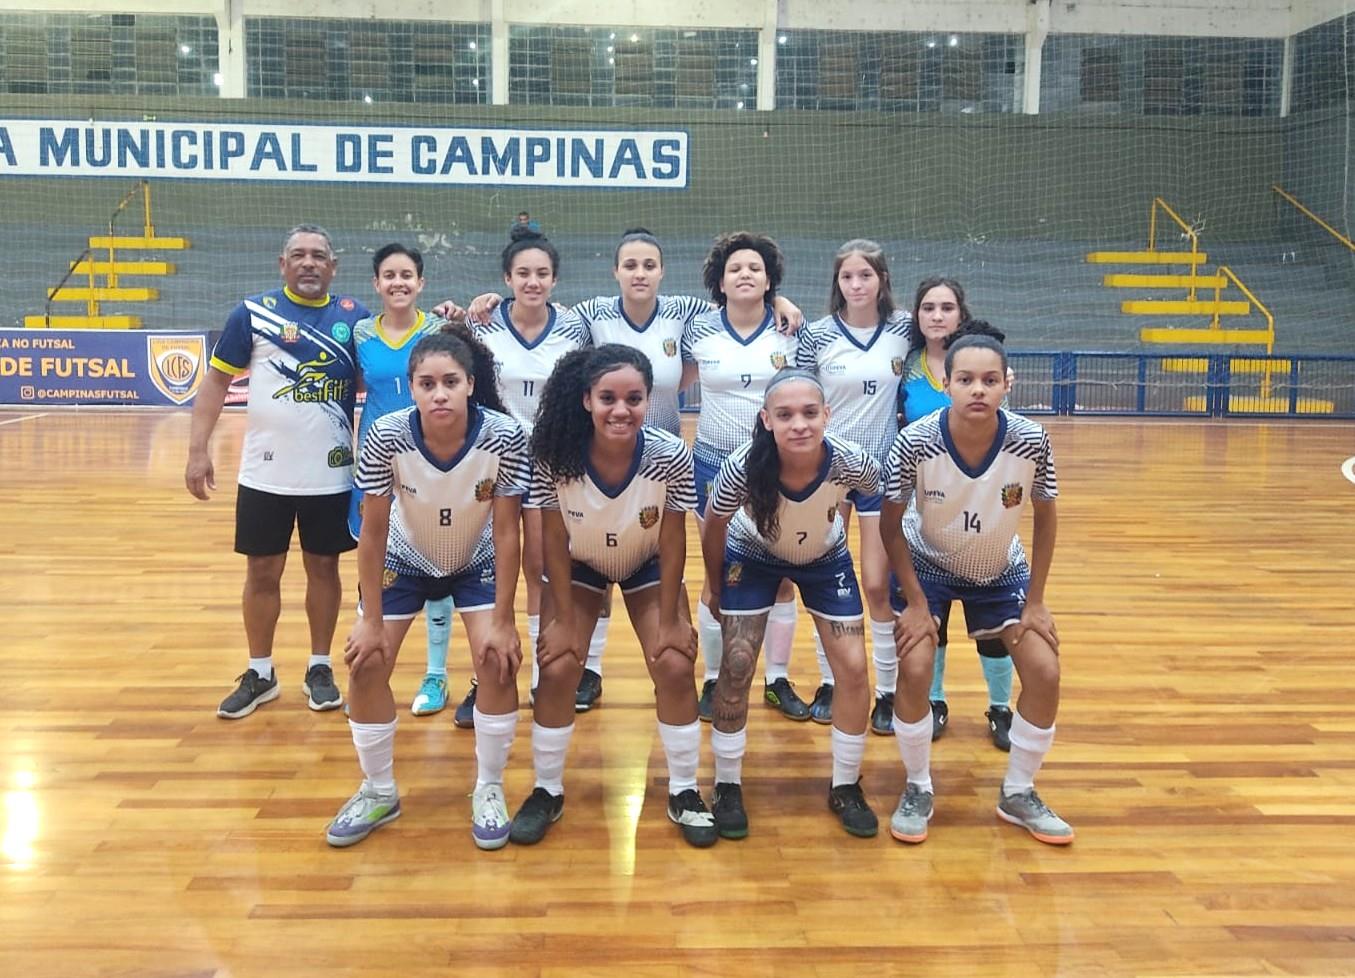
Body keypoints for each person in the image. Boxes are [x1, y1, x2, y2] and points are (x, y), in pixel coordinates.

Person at [463, 228, 802, 712]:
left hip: (662, 465)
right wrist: (491, 301)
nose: (640, 273)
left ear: (662, 272)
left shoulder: (688, 316)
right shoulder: (589, 316)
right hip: (594, 461)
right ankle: (589, 670)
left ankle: (766, 676)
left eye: (649, 265)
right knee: (592, 562)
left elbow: (741, 304)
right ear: (615, 271)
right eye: (630, 265)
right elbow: (537, 309)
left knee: (688, 562)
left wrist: (780, 298)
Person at [326, 330, 528, 849]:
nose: (439, 393)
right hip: (403, 557)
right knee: (366, 661)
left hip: (474, 558)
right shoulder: (386, 435)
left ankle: (488, 786)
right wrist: (369, 618)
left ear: (469, 386)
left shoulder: (504, 436)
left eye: (450, 382)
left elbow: (508, 532)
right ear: (411, 388)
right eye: (427, 383)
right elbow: (370, 531)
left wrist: (505, 619)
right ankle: (378, 789)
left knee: (497, 659)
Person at [510, 345, 717, 848]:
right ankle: (546, 789)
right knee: (558, 667)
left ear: (650, 400)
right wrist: (557, 618)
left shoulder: (669, 455)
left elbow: (672, 540)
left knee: (672, 662)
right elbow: (553, 540)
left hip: (646, 561)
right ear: (586, 400)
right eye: (607, 397)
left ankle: (686, 790)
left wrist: (670, 618)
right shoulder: (555, 457)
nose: (620, 409)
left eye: (633, 398)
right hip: (579, 564)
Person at [881, 323, 1073, 846]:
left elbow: (1046, 515)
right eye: (966, 379)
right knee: (916, 666)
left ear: (1008, 383)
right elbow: (890, 524)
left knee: (1045, 672)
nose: (978, 389)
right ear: (947, 382)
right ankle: (918, 785)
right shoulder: (915, 441)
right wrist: (916, 603)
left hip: (1000, 570)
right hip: (929, 566)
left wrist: (1036, 600)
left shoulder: (1031, 440)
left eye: (990, 380)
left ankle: (1018, 791)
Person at [186, 224, 367, 719]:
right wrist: (197, 449)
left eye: (319, 256)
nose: (309, 263)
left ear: (334, 266)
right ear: (282, 264)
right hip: (264, 473)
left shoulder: (355, 319)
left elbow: (397, 358)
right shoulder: (253, 313)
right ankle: (260, 671)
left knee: (323, 568)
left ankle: (319, 666)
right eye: (299, 255)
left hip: (331, 473)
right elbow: (217, 381)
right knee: (262, 571)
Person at [702, 367, 882, 839]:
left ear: (828, 414)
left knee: (854, 669)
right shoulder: (742, 466)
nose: (798, 423)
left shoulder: (852, 462)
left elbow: (877, 497)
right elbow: (714, 521)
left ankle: (845, 784)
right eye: (785, 414)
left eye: (808, 412)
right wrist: (715, 585)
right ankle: (726, 784)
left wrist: (866, 555)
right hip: (754, 553)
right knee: (738, 665)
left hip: (825, 557)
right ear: (766, 419)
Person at [684, 232, 807, 724]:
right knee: (718, 578)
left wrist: (784, 303)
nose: (745, 275)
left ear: (770, 278)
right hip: (712, 464)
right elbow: (674, 374)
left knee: (780, 579)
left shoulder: (793, 331)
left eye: (755, 268)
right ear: (721, 279)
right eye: (736, 268)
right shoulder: (697, 331)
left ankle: (777, 679)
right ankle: (715, 678)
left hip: (774, 466)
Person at [350, 244, 472, 726]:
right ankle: (368, 667)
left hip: (431, 466)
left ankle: (436, 674)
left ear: (421, 283)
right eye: (388, 275)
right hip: (378, 465)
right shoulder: (359, 332)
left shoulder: (441, 329)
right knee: (374, 564)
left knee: (436, 566)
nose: (398, 282)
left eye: (407, 275)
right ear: (376, 284)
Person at [795, 240, 912, 734]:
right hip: (830, 471)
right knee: (826, 580)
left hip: (882, 474)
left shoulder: (903, 330)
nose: (857, 284)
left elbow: (953, 335)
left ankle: (886, 690)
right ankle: (830, 680)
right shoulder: (818, 336)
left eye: (866, 275)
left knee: (876, 584)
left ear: (882, 279)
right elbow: (797, 393)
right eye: (848, 277)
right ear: (837, 283)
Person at [473, 229, 589, 716]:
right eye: (523, 273)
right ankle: (485, 679)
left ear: (555, 279)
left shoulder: (574, 327)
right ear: (506, 278)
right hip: (495, 459)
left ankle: (546, 674)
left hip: (549, 462)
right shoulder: (482, 325)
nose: (533, 281)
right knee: (487, 569)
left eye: (542, 273)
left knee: (542, 565)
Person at [897, 278, 1015, 749]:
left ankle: (1001, 707)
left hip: (981, 502)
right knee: (933, 617)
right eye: (928, 306)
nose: (938, 315)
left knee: (992, 623)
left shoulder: (986, 362)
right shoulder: (904, 365)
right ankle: (936, 700)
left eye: (947, 307)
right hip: (926, 503)